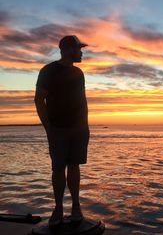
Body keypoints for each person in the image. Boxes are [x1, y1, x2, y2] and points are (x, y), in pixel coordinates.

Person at [34, 35, 90, 227]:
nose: (81, 52)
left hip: (79, 129)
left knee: (74, 166)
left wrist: (85, 125)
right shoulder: (49, 70)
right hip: (58, 128)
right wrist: (48, 128)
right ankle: (58, 208)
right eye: (78, 49)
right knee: (58, 169)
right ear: (67, 50)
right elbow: (39, 99)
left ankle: (76, 206)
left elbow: (82, 101)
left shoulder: (79, 73)